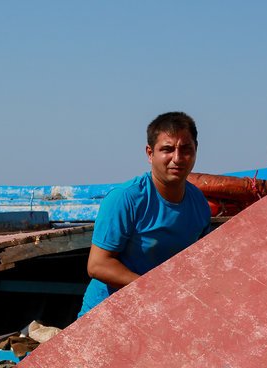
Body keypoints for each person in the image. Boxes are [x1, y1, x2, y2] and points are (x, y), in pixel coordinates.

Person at [78, 111, 211, 316]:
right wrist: (152, 289)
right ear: (150, 153)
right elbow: (97, 264)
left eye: (186, 149)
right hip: (104, 316)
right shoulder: (126, 199)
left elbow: (199, 263)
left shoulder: (199, 204)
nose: (177, 158)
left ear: (195, 150)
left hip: (158, 314)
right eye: (167, 149)